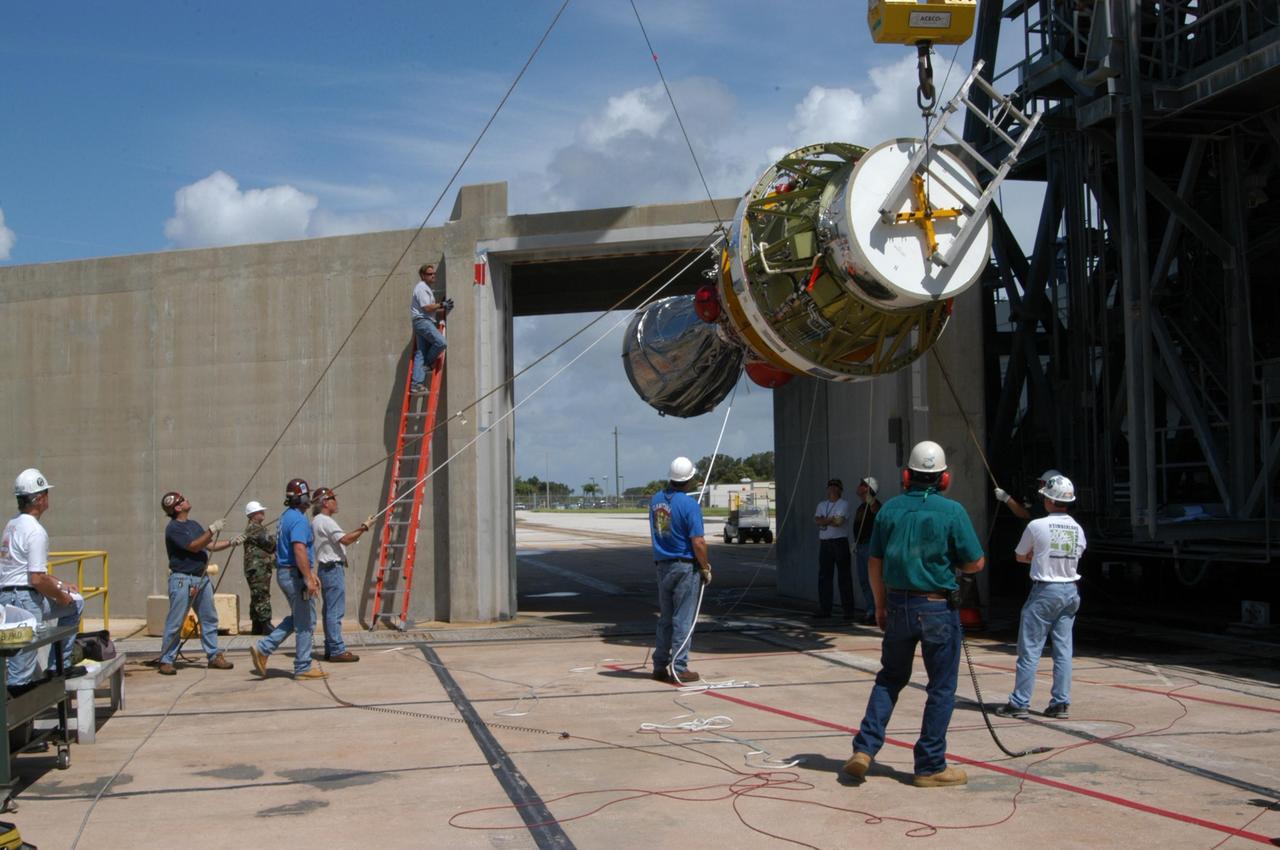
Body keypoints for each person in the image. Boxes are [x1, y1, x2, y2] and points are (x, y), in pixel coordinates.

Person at [843, 441, 985, 788]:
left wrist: (879, 605)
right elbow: (976, 562)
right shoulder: (952, 512)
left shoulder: (889, 510)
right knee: (941, 687)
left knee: (890, 678)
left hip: (898, 606)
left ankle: (864, 749)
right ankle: (930, 765)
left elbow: (874, 563)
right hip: (938, 608)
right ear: (944, 478)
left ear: (906, 475)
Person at [997, 475, 1086, 720]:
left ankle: (1020, 702)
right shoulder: (1077, 529)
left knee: (1030, 649)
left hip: (1045, 591)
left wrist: (1036, 557)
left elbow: (1019, 555)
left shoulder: (1036, 526)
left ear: (1048, 500)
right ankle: (1060, 702)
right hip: (1070, 590)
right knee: (1063, 650)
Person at [0, 469, 85, 689]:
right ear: (39, 499)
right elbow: (36, 579)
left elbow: (27, 570)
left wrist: (60, 584)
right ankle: (17, 716)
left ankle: (59, 667)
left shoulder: (13, 524)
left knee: (76, 602)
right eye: (46, 493)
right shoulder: (35, 531)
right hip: (25, 599)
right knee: (22, 666)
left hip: (9, 596)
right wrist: (61, 596)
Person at [250, 478, 327, 680]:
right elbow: (299, 548)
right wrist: (308, 578)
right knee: (305, 623)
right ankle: (302, 667)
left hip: (287, 572)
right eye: (306, 495)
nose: (309, 499)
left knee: (300, 618)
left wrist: (310, 573)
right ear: (301, 496)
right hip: (294, 574)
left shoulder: (286, 516)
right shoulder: (300, 520)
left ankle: (264, 648)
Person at [157, 490, 238, 675]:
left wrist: (231, 542)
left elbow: (208, 545)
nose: (187, 500)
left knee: (209, 618)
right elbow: (194, 546)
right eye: (183, 499)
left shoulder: (193, 524)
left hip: (201, 579)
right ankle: (166, 659)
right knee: (176, 621)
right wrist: (212, 530)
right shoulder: (174, 528)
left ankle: (213, 656)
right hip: (182, 580)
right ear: (177, 507)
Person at [648, 456, 711, 684]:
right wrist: (705, 567)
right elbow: (698, 542)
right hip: (685, 566)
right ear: (690, 479)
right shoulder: (690, 505)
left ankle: (659, 664)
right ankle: (679, 667)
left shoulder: (655, 501)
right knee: (683, 619)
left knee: (666, 618)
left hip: (662, 565)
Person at [310, 488, 374, 663]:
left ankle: (331, 648)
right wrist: (364, 528)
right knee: (335, 611)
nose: (335, 502)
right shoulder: (326, 521)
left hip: (326, 568)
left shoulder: (316, 521)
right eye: (332, 499)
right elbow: (345, 539)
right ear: (324, 502)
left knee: (330, 610)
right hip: (332, 569)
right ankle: (337, 649)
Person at [814, 478, 855, 622]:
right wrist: (830, 519)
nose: (832, 489)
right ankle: (825, 608)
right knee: (824, 577)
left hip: (839, 542)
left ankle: (848, 610)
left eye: (835, 487)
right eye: (830, 486)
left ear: (840, 490)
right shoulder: (821, 504)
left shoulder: (844, 504)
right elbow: (817, 520)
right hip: (825, 542)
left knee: (844, 577)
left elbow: (839, 522)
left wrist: (826, 520)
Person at [409, 263, 448, 395]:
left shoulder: (426, 288)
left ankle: (416, 384)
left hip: (424, 321)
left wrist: (442, 307)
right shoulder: (421, 288)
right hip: (423, 322)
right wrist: (441, 304)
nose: (433, 276)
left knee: (420, 353)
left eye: (434, 273)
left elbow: (429, 309)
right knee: (441, 343)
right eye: (430, 274)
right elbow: (426, 308)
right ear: (422, 275)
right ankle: (427, 364)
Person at [242, 500, 276, 635]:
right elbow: (270, 544)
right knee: (262, 594)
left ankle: (257, 625)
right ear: (253, 514)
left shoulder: (256, 528)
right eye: (260, 511)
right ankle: (266, 624)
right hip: (258, 568)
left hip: (258, 567)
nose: (263, 513)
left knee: (257, 595)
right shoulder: (255, 528)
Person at [852, 477, 881, 624]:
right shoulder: (861, 507)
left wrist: (870, 498)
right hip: (861, 546)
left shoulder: (872, 505)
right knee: (864, 580)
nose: (858, 486)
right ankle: (871, 610)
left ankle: (875, 611)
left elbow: (875, 508)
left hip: (869, 546)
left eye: (862, 484)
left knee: (871, 580)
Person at [994, 468, 1061, 521]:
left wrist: (1006, 498)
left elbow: (1024, 514)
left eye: (1041, 483)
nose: (1039, 486)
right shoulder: (1059, 503)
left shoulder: (1047, 505)